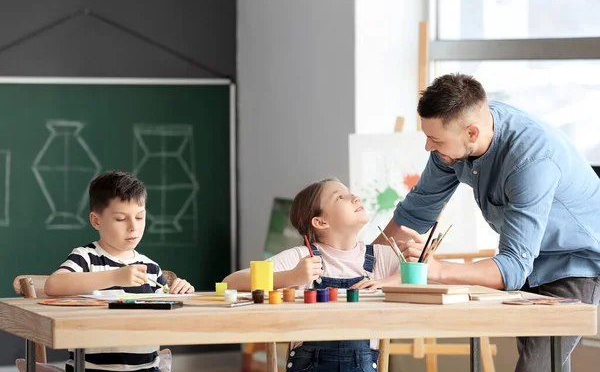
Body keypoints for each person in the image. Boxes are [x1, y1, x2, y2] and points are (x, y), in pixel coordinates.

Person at [375, 73, 600, 372]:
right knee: (548, 365)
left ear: (471, 133)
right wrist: (363, 263)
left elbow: (513, 268)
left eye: (436, 139)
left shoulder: (531, 161)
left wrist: (438, 270)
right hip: (529, 259)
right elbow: (416, 213)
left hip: (575, 262)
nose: (428, 147)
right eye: (427, 136)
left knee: (536, 367)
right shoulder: (454, 143)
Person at [224, 178, 401, 372]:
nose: (354, 197)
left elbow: (429, 273)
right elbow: (230, 282)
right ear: (320, 222)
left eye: (349, 193)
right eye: (340, 197)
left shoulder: (380, 256)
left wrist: (390, 281)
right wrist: (291, 277)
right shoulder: (302, 258)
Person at [45, 170, 194, 372]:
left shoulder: (151, 268)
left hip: (146, 369)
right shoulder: (86, 257)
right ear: (96, 221)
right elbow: (53, 285)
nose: (133, 227)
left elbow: (165, 321)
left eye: (140, 217)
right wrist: (115, 277)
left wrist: (180, 293)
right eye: (121, 219)